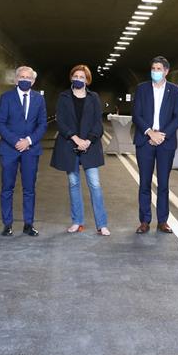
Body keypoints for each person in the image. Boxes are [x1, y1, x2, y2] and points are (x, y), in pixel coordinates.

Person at [52, 65, 109, 235]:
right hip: (69, 145)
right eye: (75, 76)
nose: (78, 79)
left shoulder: (94, 97)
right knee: (74, 184)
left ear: (87, 80)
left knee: (95, 184)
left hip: (90, 146)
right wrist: (75, 138)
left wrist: (88, 141)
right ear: (71, 78)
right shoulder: (63, 97)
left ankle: (102, 224)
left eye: (82, 77)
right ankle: (77, 222)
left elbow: (98, 123)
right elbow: (61, 121)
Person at [0, 66, 47, 238]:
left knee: (29, 188)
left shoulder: (39, 99)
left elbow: (42, 124)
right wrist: (16, 141)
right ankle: (7, 224)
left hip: (30, 150)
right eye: (21, 77)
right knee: (7, 188)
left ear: (33, 81)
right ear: (16, 79)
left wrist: (28, 141)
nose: (25, 80)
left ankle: (28, 224)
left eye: (28, 78)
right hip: (9, 149)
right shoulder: (6, 98)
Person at [132, 55, 178, 234]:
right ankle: (144, 221)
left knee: (163, 183)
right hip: (145, 140)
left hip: (165, 142)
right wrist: (150, 132)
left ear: (166, 71)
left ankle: (163, 221)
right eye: (153, 69)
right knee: (144, 182)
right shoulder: (142, 89)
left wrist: (162, 135)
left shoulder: (174, 91)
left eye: (159, 69)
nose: (155, 72)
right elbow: (136, 114)